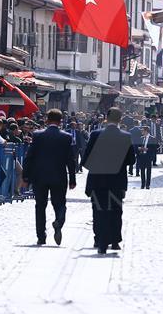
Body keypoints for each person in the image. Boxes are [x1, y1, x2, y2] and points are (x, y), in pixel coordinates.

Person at [81, 107, 135, 254]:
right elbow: (131, 160)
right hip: (117, 181)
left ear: (106, 118)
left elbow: (85, 159)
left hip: (98, 180)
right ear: (120, 119)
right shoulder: (125, 136)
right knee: (116, 210)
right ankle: (115, 240)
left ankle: (99, 239)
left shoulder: (95, 134)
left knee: (99, 210)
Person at [20, 109, 77, 245]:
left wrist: (25, 177)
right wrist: (73, 179)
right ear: (60, 121)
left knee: (40, 205)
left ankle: (41, 236)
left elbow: (29, 157)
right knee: (60, 203)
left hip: (39, 176)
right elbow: (71, 160)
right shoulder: (66, 137)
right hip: (59, 176)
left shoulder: (38, 135)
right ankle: (59, 221)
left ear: (47, 119)